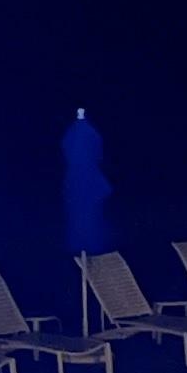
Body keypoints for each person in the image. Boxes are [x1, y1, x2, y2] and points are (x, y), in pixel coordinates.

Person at [61, 105, 112, 260]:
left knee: (90, 215)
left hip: (85, 178)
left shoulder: (85, 132)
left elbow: (96, 149)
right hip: (79, 179)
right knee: (82, 215)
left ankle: (91, 243)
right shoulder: (76, 133)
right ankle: (83, 243)